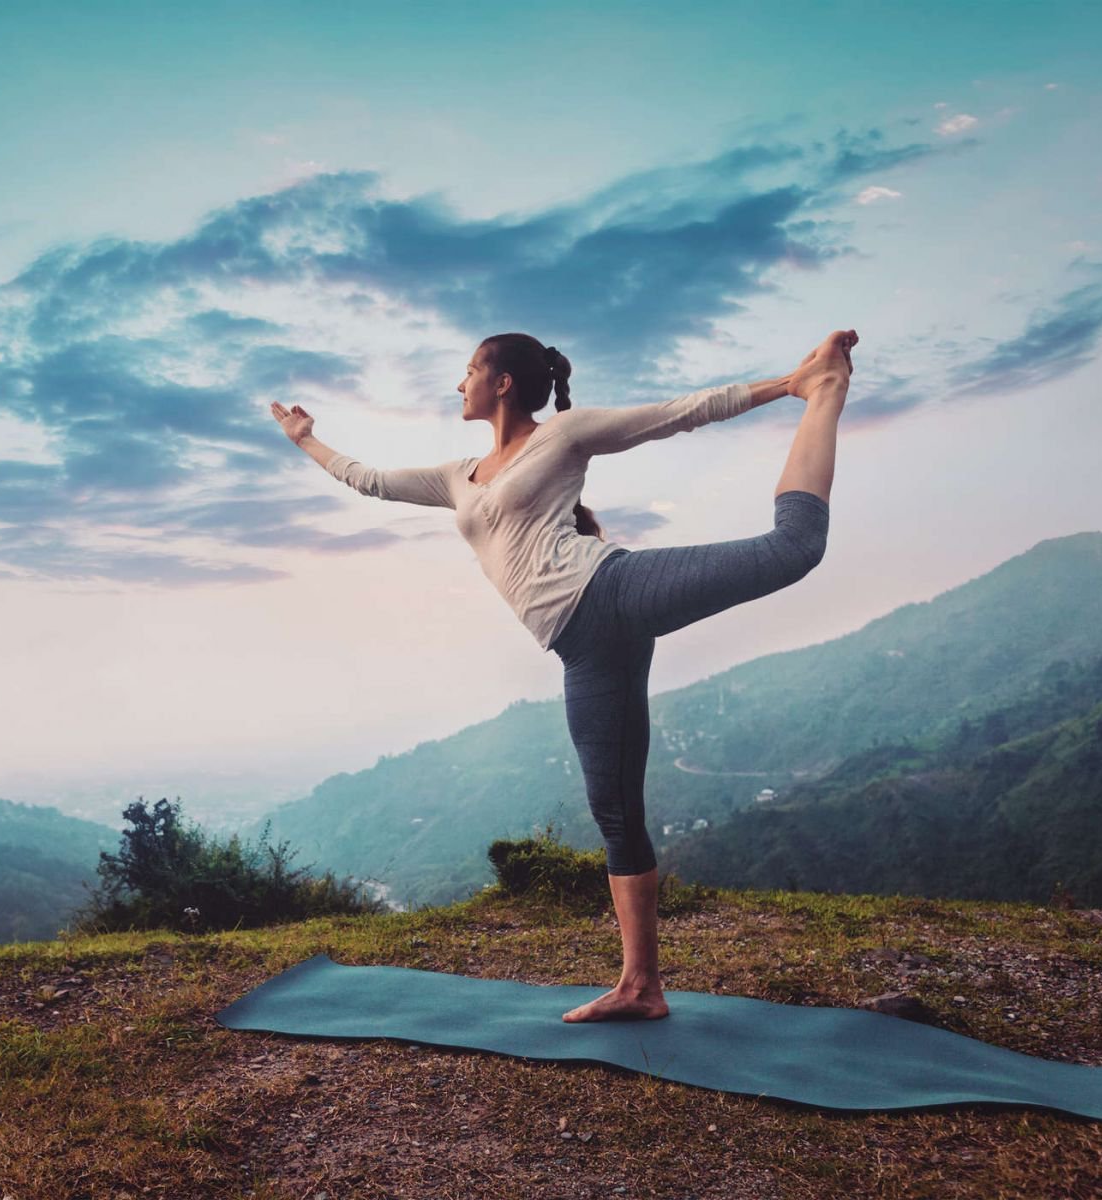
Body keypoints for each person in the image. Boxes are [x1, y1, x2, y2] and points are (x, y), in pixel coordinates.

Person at [270, 329, 856, 1021]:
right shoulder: (457, 476)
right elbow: (366, 479)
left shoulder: (565, 436)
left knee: (791, 549)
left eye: (468, 372)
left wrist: (787, 384)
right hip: (583, 648)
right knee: (614, 811)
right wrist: (306, 439)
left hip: (611, 590)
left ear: (503, 382)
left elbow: (681, 411)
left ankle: (824, 392)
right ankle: (642, 987)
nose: (460, 385)